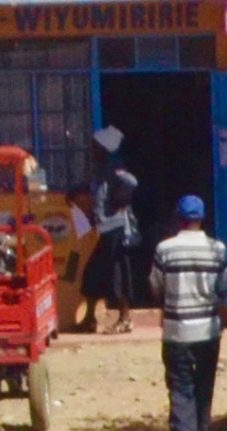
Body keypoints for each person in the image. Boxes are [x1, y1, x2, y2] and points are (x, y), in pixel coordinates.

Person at [150, 195, 227, 431]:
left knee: (180, 385)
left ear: (178, 218)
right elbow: (223, 290)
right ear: (202, 218)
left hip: (176, 331)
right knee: (203, 387)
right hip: (208, 330)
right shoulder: (217, 250)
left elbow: (155, 288)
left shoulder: (165, 249)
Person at [81, 126, 139, 335]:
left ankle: (125, 319)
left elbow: (131, 182)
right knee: (92, 273)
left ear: (104, 148)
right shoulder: (100, 169)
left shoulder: (114, 168)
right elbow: (94, 189)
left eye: (95, 146)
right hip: (105, 230)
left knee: (118, 276)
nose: (92, 150)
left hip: (116, 229)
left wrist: (120, 199)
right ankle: (90, 318)